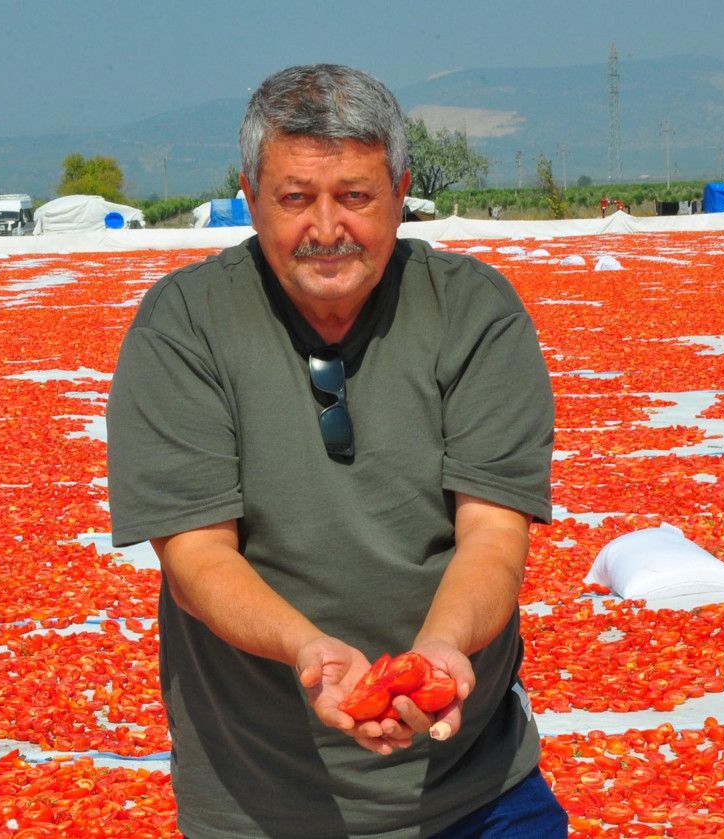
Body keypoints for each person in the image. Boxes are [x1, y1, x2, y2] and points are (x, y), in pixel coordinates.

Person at [106, 64, 564, 839]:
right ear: (251, 196)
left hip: (475, 791)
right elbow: (196, 556)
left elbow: (493, 532)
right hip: (263, 805)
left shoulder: (472, 312)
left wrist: (443, 646)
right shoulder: (185, 325)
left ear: (401, 192)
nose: (326, 229)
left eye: (355, 195)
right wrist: (308, 650)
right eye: (295, 198)